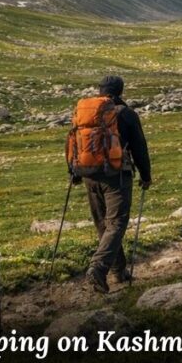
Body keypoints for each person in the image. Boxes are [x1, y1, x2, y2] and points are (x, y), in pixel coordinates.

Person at [77, 75, 151, 293]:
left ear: (99, 90)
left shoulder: (86, 112)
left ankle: (118, 271)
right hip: (116, 176)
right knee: (117, 223)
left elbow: (75, 143)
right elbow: (139, 147)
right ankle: (98, 269)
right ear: (120, 91)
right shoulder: (126, 114)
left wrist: (74, 172)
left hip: (89, 174)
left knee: (103, 224)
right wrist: (145, 175)